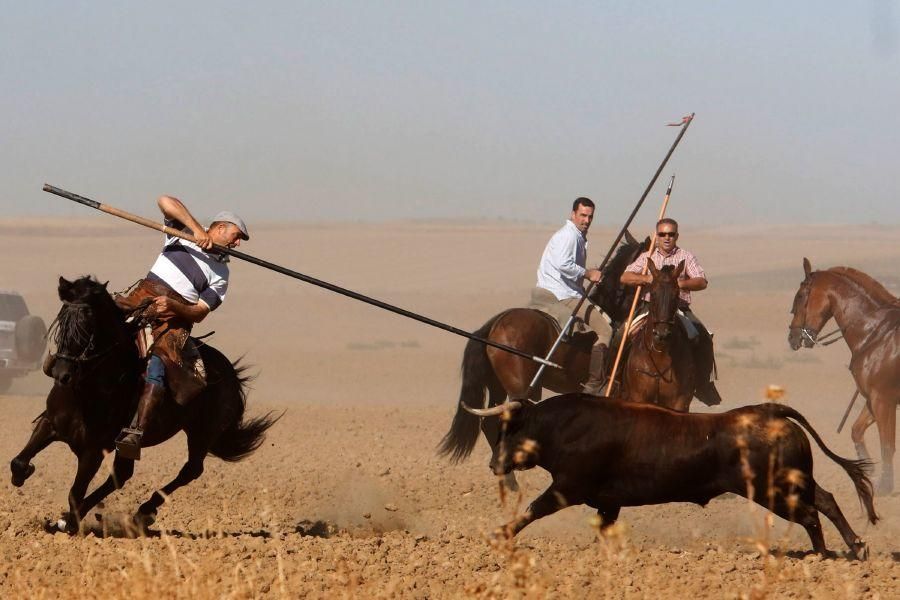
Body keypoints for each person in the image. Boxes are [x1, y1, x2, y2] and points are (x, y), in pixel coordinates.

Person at [113, 195, 249, 460]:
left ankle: (135, 432)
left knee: (158, 363)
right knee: (93, 319)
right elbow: (164, 200)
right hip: (140, 298)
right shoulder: (181, 233)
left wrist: (175, 307)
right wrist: (197, 232)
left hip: (173, 322)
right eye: (236, 235)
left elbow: (199, 313)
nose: (238, 243)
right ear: (219, 228)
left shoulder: (221, 275)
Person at [620, 218, 721, 405]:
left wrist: (678, 284)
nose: (667, 238)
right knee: (620, 334)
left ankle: (703, 384)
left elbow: (701, 281)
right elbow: (625, 276)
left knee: (703, 336)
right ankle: (614, 379)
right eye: (662, 234)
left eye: (671, 234)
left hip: (678, 309)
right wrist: (648, 279)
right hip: (648, 308)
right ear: (656, 236)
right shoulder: (646, 257)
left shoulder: (686, 256)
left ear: (677, 236)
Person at [531, 197, 612, 395]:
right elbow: (563, 264)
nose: (586, 220)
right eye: (583, 215)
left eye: (590, 217)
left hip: (555, 290)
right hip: (563, 294)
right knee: (606, 330)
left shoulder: (574, 235)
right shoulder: (569, 235)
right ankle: (595, 383)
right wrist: (589, 273)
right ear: (573, 214)